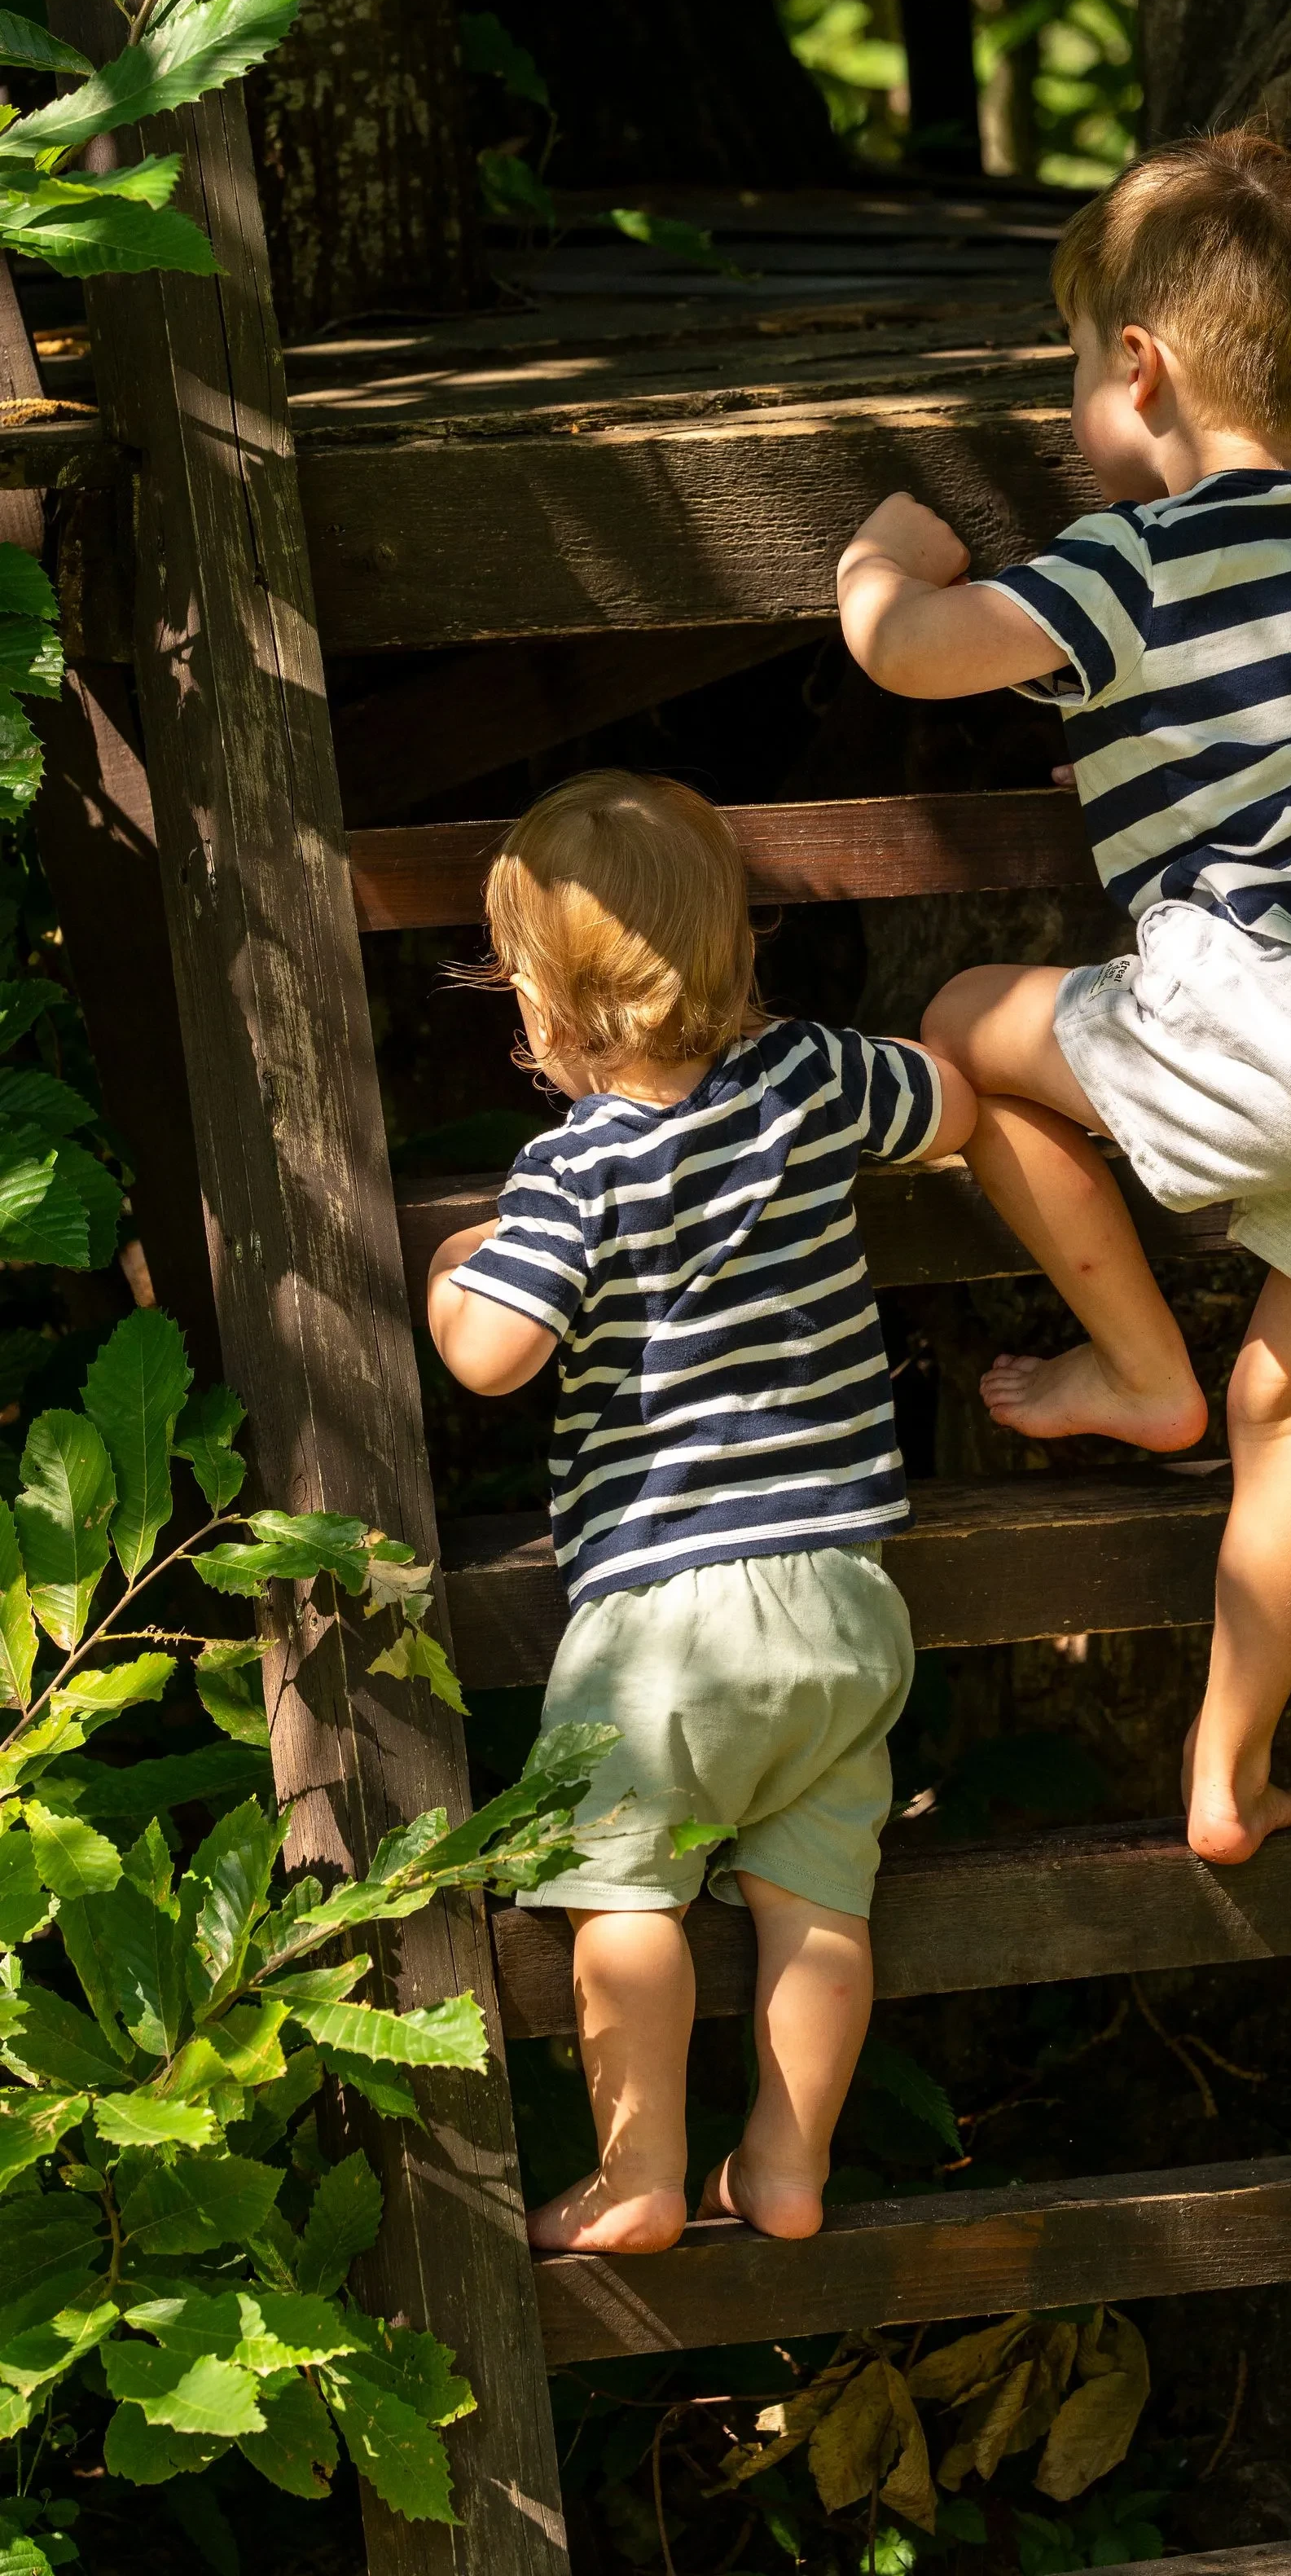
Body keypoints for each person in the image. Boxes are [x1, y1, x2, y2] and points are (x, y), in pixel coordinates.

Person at [833, 131, 1291, 1870]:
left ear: (1135, 369)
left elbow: (908, 651)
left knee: (963, 1027)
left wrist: (885, 554)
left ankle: (1140, 1369)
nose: (1073, 402)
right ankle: (1228, 1774)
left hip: (1288, 1014)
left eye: (1076, 366)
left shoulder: (1124, 563)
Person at [426, 769, 974, 2253]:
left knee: (623, 1909)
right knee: (819, 1916)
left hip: (670, 1620)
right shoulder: (808, 1076)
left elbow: (491, 1352)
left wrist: (451, 1266)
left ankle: (640, 2174)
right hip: (847, 1605)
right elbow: (951, 1103)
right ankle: (786, 2168)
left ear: (539, 1009)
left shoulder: (575, 1168)